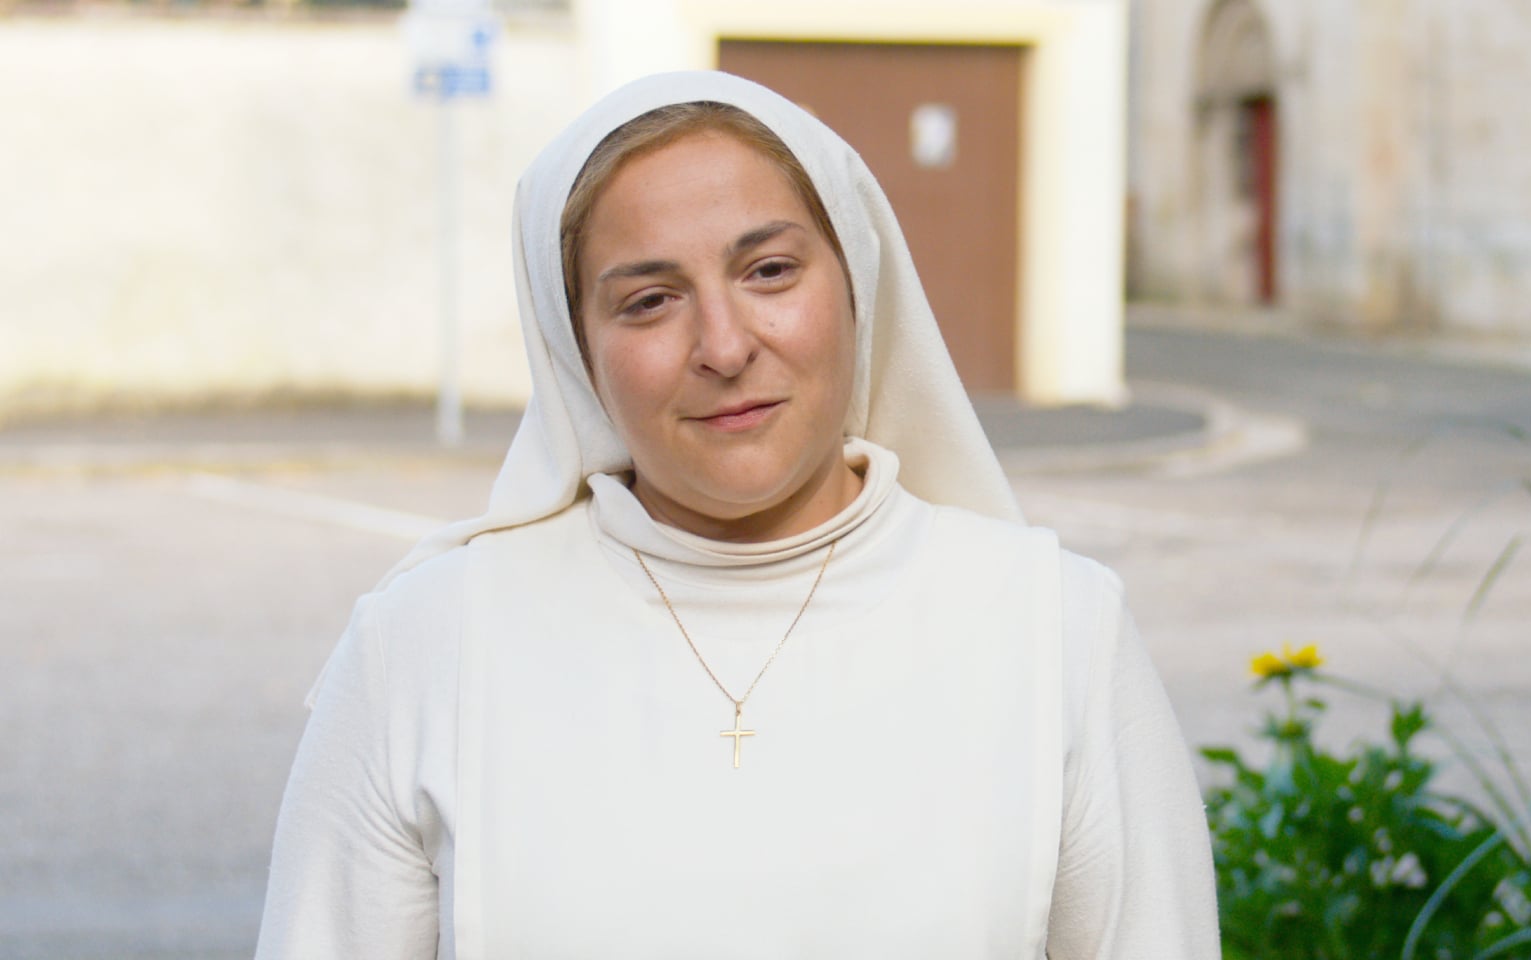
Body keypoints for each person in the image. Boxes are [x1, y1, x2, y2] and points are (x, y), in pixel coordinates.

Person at [255, 70, 1219, 959]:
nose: (723, 345)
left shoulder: (1057, 633)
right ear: (573, 350)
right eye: (649, 300)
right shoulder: (426, 649)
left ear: (858, 282)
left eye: (769, 272)